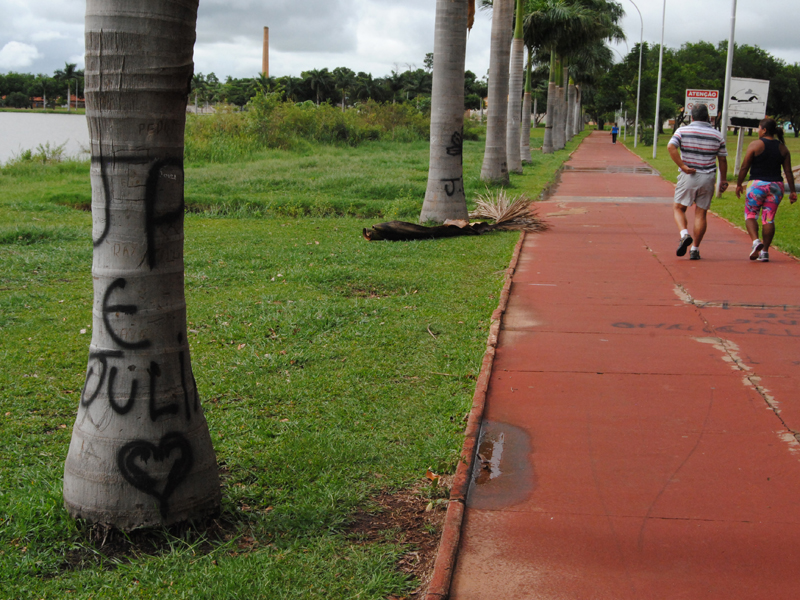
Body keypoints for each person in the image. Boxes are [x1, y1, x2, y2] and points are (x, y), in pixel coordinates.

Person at [667, 103, 728, 260]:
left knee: (679, 208)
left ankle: (684, 234)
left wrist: (682, 165)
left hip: (689, 175)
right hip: (708, 177)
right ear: (708, 117)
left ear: (691, 116)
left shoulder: (682, 131)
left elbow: (671, 147)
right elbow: (722, 159)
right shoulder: (717, 134)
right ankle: (695, 249)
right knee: (701, 213)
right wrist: (724, 179)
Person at [735, 117, 797, 262]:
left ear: (764, 130)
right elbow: (788, 172)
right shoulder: (783, 148)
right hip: (776, 186)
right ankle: (765, 252)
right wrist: (792, 191)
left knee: (750, 215)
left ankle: (756, 241)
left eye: (759, 128)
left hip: (757, 185)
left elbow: (745, 166)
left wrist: (739, 184)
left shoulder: (755, 145)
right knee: (768, 218)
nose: (758, 131)